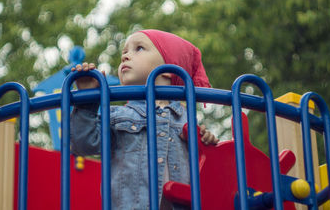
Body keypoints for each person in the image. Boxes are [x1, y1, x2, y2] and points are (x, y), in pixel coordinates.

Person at [70, 29, 219, 209]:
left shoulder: (188, 121)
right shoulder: (118, 116)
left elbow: (207, 173)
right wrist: (87, 100)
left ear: (169, 70)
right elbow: (84, 144)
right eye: (124, 53)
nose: (125, 57)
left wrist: (208, 144)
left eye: (138, 49)